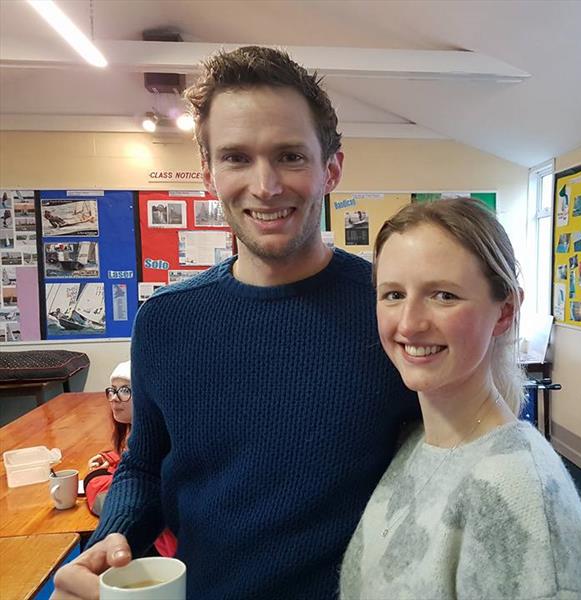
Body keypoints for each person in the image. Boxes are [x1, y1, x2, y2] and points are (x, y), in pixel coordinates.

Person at [53, 46, 418, 600]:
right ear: (208, 175)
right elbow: (146, 465)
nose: (266, 185)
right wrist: (116, 537)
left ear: (332, 169)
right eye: (237, 158)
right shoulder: (167, 322)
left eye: (291, 156)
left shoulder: (391, 313)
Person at [340, 198, 581, 599]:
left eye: (444, 295)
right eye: (393, 294)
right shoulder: (418, 443)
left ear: (503, 313)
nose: (410, 323)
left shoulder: (517, 488)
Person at [84, 361, 177, 557]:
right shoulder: (140, 437)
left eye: (125, 390)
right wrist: (113, 458)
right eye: (113, 390)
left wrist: (94, 477)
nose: (115, 399)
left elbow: (104, 498)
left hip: (165, 552)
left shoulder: (162, 446)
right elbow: (140, 456)